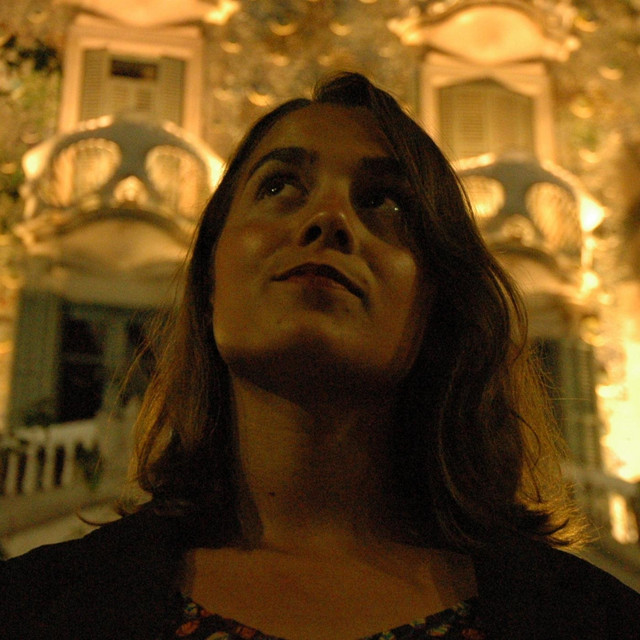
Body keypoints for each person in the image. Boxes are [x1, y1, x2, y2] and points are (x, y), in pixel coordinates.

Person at [2, 72, 639, 640]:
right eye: (279, 185)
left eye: (385, 201)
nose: (329, 217)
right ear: (209, 279)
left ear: (441, 302)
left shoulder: (591, 621)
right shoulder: (34, 610)